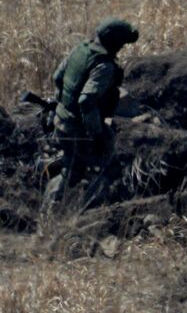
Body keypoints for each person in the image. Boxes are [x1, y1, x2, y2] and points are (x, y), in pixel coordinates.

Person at [42, 17, 139, 214]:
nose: (121, 48)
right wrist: (96, 132)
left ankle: (49, 211)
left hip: (61, 120)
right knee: (103, 170)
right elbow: (87, 100)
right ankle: (90, 215)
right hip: (80, 128)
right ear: (114, 43)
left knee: (71, 168)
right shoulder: (104, 66)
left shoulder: (81, 49)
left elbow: (57, 77)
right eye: (121, 44)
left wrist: (63, 105)